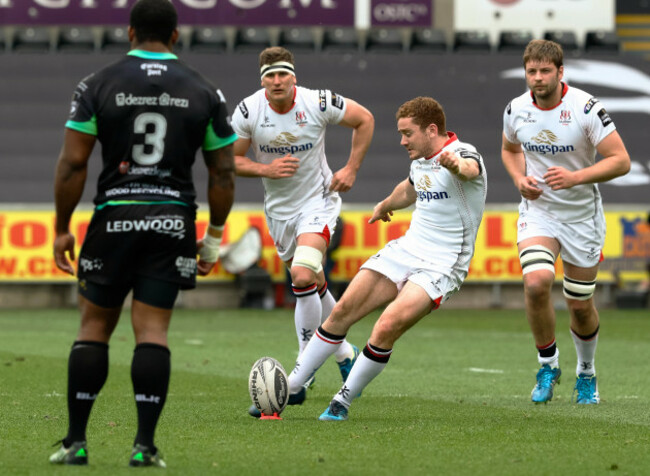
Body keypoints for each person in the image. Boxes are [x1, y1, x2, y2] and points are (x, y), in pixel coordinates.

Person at [50, 0, 237, 466]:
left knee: (93, 327)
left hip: (114, 217)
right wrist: (212, 238)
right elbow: (224, 174)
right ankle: (144, 446)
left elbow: (73, 162)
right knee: (152, 331)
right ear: (175, 36)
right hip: (171, 220)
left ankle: (75, 443)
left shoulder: (97, 84)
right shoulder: (204, 90)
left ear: (130, 32)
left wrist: (61, 229)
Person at [285, 96, 487, 421]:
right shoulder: (420, 160)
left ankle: (343, 400)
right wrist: (386, 204)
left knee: (386, 326)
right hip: (408, 248)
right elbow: (410, 188)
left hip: (444, 262)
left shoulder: (463, 152)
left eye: (407, 133)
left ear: (431, 129)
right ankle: (292, 386)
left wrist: (454, 165)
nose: (402, 140)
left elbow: (469, 169)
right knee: (342, 311)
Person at [230, 46, 375, 417]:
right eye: (269, 76)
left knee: (301, 274)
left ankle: (301, 373)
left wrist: (352, 169)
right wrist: (265, 170)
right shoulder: (249, 110)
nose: (277, 81)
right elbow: (231, 160)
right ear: (262, 80)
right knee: (314, 282)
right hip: (280, 213)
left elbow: (365, 119)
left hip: (319, 202)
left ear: (293, 76)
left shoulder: (318, 101)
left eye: (283, 74)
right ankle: (344, 352)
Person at [501, 39, 630, 405]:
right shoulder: (515, 109)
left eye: (545, 71)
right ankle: (548, 364)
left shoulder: (586, 108)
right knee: (537, 283)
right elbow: (509, 150)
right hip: (539, 212)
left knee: (579, 304)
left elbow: (620, 160)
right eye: (531, 71)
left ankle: (586, 372)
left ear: (560, 72)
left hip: (580, 217)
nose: (537, 78)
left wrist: (576, 177)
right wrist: (518, 179)